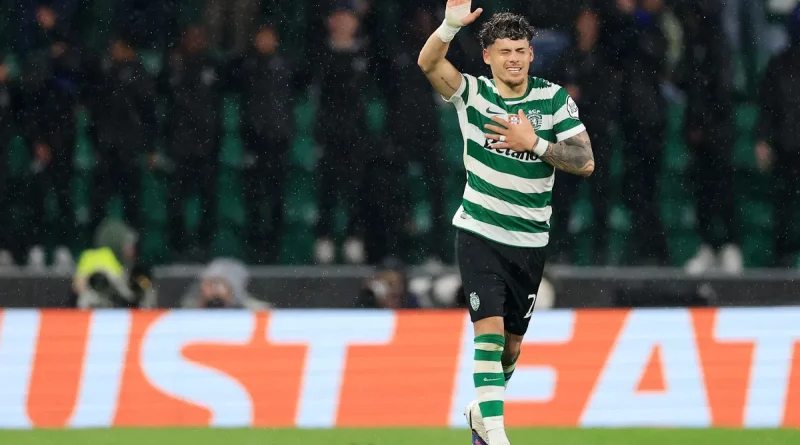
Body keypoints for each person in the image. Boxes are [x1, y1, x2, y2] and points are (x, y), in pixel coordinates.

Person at [417, 2, 594, 445]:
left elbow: (585, 161)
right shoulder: (473, 94)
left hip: (530, 240)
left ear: (531, 54)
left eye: (520, 50)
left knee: (512, 346)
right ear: (488, 56)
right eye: (504, 51)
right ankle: (496, 434)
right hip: (479, 230)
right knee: (490, 334)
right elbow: (429, 63)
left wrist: (534, 142)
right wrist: (449, 26)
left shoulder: (553, 100)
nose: (513, 58)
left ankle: (481, 413)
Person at [675, 0, 742, 274]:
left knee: (723, 188)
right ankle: (708, 247)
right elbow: (687, 82)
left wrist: (706, 122)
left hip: (719, 129)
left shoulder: (717, 42)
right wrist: (695, 124)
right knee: (702, 191)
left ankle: (731, 247)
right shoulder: (694, 43)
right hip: (699, 131)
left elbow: (720, 88)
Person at [548, 8, 618, 265]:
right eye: (583, 21)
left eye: (591, 21)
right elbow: (551, 93)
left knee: (600, 197)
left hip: (597, 137)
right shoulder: (566, 58)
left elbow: (609, 98)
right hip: (569, 138)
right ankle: (562, 251)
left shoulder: (605, 60)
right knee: (563, 197)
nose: (587, 27)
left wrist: (583, 96)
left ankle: (601, 253)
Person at [226, 22, 296, 264]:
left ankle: (273, 247)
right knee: (253, 196)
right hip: (253, 140)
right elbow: (228, 80)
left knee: (276, 196)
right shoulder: (245, 65)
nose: (265, 41)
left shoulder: (286, 65)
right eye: (261, 36)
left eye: (269, 36)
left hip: (279, 140)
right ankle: (254, 245)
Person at [755, 5, 800, 267]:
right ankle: (782, 255)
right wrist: (763, 139)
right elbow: (767, 106)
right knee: (783, 204)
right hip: (787, 143)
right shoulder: (779, 64)